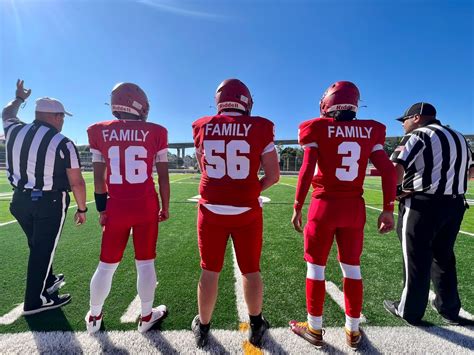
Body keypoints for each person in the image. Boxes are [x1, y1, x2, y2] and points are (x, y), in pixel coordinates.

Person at [289, 81, 397, 349]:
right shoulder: (371, 130)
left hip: (323, 206)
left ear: (327, 103)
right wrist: (388, 208)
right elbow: (389, 171)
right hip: (353, 207)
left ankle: (314, 329)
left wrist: (297, 205)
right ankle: (353, 331)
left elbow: (306, 169)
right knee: (352, 268)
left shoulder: (317, 127)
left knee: (316, 268)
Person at [191, 79, 280, 348]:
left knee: (209, 270)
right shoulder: (261, 127)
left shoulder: (202, 125)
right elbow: (273, 175)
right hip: (247, 211)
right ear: (246, 101)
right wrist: (251, 189)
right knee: (251, 270)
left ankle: (203, 327)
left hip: (211, 209)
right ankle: (256, 325)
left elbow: (202, 167)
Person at [85, 82, 170, 333]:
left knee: (106, 264)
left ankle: (95, 318)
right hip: (145, 204)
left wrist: (102, 209)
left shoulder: (99, 131)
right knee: (145, 262)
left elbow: (99, 179)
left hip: (116, 205)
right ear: (138, 104)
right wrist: (165, 206)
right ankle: (146, 317)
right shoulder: (156, 131)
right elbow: (163, 177)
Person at [384, 102, 474, 326]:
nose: (403, 125)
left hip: (422, 205)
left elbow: (394, 166)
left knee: (416, 258)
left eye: (404, 120)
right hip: (454, 205)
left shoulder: (418, 135)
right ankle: (449, 308)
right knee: (444, 258)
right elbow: (471, 171)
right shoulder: (459, 137)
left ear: (416, 117)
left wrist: (395, 193)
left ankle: (409, 310)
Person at [2, 80, 87, 315]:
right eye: (62, 117)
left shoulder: (13, 130)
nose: (62, 121)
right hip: (49, 202)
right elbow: (76, 181)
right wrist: (82, 209)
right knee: (42, 249)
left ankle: (48, 280)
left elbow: (7, 112)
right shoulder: (63, 142)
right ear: (55, 116)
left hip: (19, 201)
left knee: (36, 244)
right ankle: (35, 301)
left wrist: (19, 98)